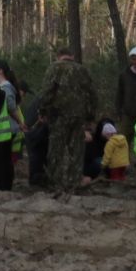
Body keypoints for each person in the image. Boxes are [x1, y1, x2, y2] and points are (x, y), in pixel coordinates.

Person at [34, 48, 99, 191]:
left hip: (59, 116)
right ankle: (74, 182)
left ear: (58, 56)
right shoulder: (82, 70)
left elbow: (47, 91)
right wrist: (90, 117)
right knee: (76, 150)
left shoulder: (54, 68)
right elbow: (92, 95)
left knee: (56, 150)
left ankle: (56, 183)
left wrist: (42, 110)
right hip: (78, 117)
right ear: (72, 56)